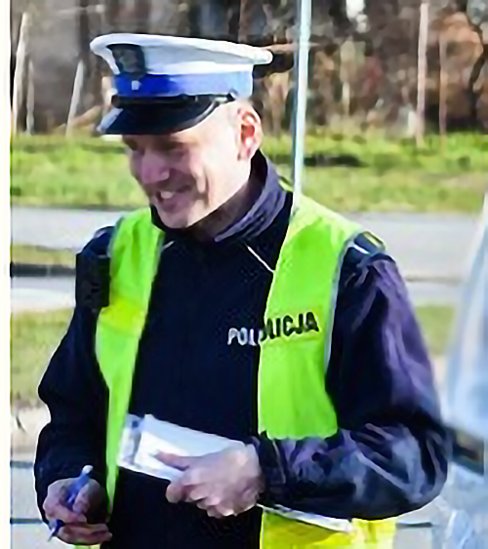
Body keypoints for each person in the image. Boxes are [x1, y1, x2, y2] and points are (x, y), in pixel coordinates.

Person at [34, 33, 450, 549]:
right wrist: (68, 480)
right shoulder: (114, 254)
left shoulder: (348, 269)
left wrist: (265, 470)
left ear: (245, 134)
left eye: (173, 147)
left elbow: (413, 455)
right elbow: (74, 413)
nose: (150, 173)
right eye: (135, 149)